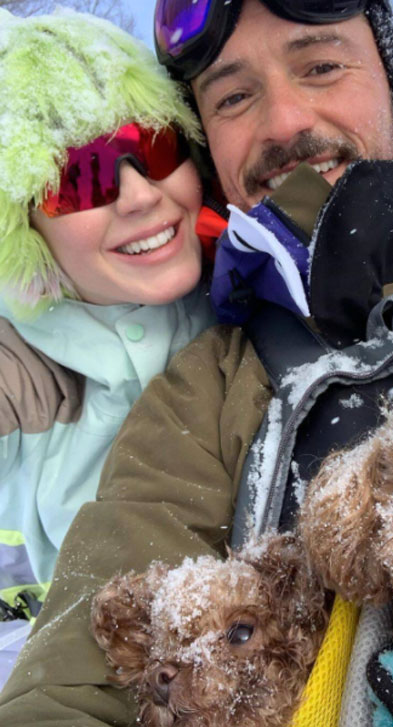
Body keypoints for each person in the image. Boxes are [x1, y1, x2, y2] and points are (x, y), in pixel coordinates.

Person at [2, 1, 393, 724]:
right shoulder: (203, 389)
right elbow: (77, 681)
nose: (282, 122)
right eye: (234, 97)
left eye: (321, 66)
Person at [0, 7, 226, 685]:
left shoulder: (255, 297)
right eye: (84, 178)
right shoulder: (18, 371)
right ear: (24, 223)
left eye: (155, 147)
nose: (138, 195)